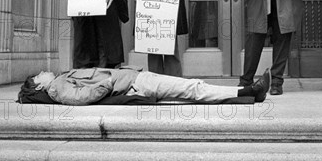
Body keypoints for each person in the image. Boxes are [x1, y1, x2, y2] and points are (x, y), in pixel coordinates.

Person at [21, 66, 271, 105]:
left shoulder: (59, 79)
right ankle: (250, 91)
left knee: (192, 87)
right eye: (38, 75)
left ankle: (248, 92)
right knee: (193, 88)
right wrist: (111, 81)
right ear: (39, 86)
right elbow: (82, 97)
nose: (43, 72)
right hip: (134, 83)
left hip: (135, 78)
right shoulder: (56, 87)